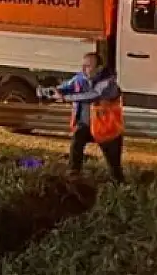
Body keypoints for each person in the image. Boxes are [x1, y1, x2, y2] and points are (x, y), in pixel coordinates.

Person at [47, 52, 126, 184]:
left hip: (107, 130)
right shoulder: (80, 78)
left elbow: (93, 95)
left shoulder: (109, 83)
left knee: (114, 169)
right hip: (86, 126)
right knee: (77, 142)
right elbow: (67, 86)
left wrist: (66, 98)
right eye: (83, 66)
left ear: (99, 68)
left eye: (88, 66)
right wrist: (54, 91)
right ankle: (73, 176)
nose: (83, 69)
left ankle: (119, 188)